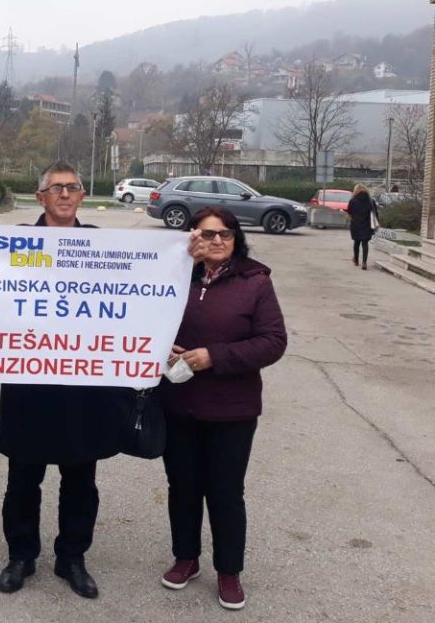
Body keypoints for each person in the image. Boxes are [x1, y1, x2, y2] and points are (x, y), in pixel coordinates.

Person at [0, 162, 127, 599]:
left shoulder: (104, 245)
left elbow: (145, 288)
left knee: (81, 480)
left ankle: (72, 558)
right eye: (55, 188)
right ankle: (21, 556)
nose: (64, 194)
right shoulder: (12, 245)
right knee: (23, 478)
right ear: (41, 197)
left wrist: (188, 259)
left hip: (85, 384)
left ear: (82, 196)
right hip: (29, 383)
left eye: (72, 187)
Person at [158, 207, 287, 611]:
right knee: (183, 487)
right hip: (179, 404)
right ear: (192, 236)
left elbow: (272, 341)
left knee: (226, 492)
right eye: (208, 233)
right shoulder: (171, 275)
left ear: (236, 239)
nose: (216, 241)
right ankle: (186, 558)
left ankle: (229, 570)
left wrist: (215, 356)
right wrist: (159, 349)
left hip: (232, 409)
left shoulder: (255, 282)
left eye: (226, 234)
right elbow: (140, 320)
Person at [345, 183, 379, 270]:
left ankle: (356, 260)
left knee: (356, 243)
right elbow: (375, 214)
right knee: (365, 243)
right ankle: (364, 262)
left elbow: (349, 212)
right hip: (367, 225)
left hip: (356, 224)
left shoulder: (353, 201)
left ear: (355, 191)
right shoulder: (371, 201)